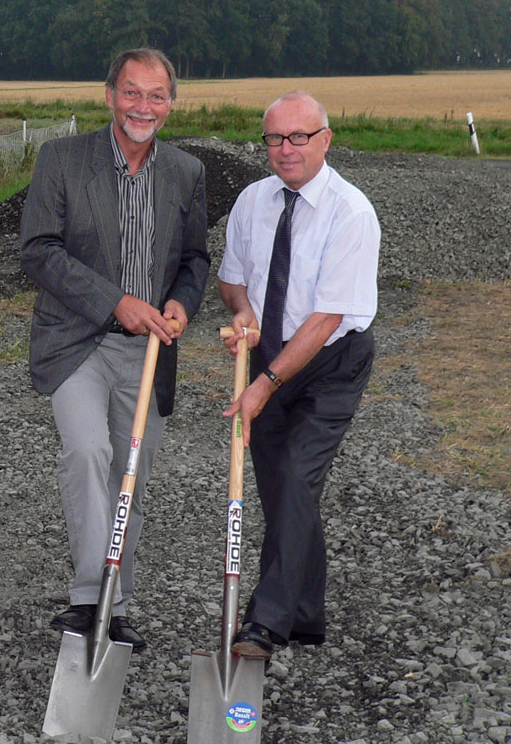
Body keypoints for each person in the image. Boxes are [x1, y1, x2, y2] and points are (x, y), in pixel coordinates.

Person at [20, 47, 209, 651]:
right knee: (86, 453)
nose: (142, 107)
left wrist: (181, 303)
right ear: (109, 96)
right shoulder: (62, 159)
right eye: (131, 92)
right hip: (75, 341)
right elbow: (38, 249)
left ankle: (115, 605)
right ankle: (90, 599)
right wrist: (113, 301)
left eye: (156, 95)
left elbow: (194, 259)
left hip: (148, 352)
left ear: (171, 104)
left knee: (131, 476)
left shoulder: (186, 172)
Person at [218, 90, 380, 659]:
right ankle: (306, 615)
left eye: (299, 137)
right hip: (270, 354)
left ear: (325, 140)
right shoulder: (252, 201)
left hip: (332, 362)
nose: (286, 149)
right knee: (282, 490)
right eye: (274, 138)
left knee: (294, 474)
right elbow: (232, 279)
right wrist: (243, 312)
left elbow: (327, 318)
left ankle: (265, 622)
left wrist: (264, 385)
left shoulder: (351, 213)